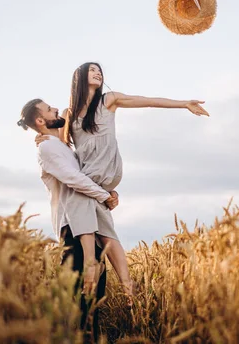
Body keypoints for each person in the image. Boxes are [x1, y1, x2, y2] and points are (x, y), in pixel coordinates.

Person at [36, 61, 210, 301]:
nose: (98, 73)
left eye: (100, 71)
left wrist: (183, 104)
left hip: (104, 173)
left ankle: (92, 268)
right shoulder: (68, 114)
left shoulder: (109, 100)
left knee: (94, 222)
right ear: (79, 77)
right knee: (106, 232)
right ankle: (128, 288)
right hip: (89, 176)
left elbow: (146, 100)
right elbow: (65, 150)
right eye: (92, 70)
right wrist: (42, 138)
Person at [17, 98, 117, 341]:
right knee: (78, 304)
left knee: (93, 304)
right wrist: (104, 195)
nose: (55, 109)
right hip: (72, 231)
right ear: (41, 121)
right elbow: (73, 178)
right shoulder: (47, 148)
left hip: (87, 226)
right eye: (49, 109)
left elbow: (67, 113)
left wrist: (108, 191)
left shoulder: (61, 146)